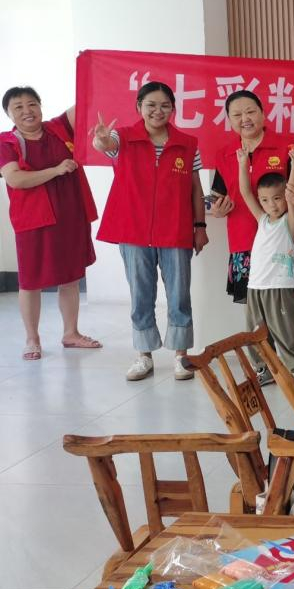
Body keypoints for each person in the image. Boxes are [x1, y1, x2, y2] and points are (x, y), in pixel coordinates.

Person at [93, 81, 207, 381]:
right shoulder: (123, 137)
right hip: (133, 230)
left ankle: (181, 356)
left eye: (165, 105)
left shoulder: (188, 143)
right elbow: (106, 145)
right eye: (151, 105)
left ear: (173, 109)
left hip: (176, 230)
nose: (158, 111)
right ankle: (143, 355)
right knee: (141, 294)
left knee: (179, 295)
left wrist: (200, 226)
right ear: (139, 107)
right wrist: (102, 141)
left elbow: (196, 189)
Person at [1, 87, 100, 360]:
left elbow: (87, 101)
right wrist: (56, 171)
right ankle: (32, 339)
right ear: (9, 113)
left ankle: (71, 333)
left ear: (41, 106)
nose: (27, 110)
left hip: (69, 216)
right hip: (33, 220)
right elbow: (16, 179)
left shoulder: (58, 128)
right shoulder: (6, 142)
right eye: (18, 107)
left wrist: (98, 69)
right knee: (30, 281)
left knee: (70, 277)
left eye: (32, 104)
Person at [209, 90, 294, 305]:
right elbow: (215, 196)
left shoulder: (287, 145)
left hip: (283, 238)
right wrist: (215, 209)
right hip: (244, 238)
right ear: (229, 120)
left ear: (263, 113)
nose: (245, 119)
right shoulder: (225, 154)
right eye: (237, 115)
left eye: (250, 112)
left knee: (288, 300)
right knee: (253, 303)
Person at [238, 145, 294, 392]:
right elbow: (245, 192)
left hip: (280, 286)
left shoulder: (289, 222)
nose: (271, 205)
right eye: (265, 200)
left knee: (286, 333)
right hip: (255, 287)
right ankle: (263, 369)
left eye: (276, 198)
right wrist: (243, 164)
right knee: (255, 333)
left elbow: (292, 194)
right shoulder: (262, 219)